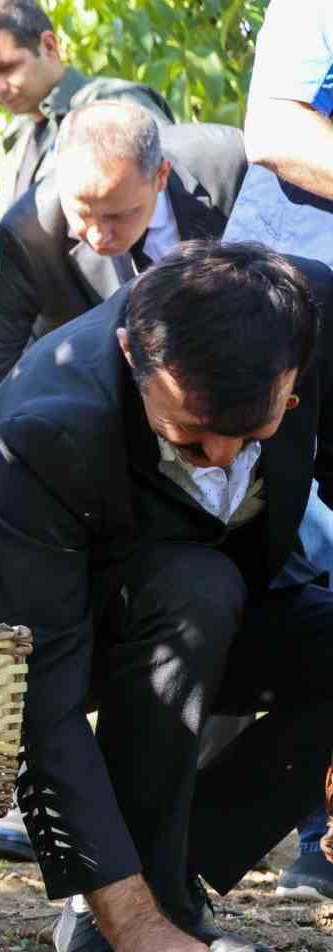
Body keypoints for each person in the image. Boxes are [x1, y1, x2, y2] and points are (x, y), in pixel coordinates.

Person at [0, 241, 333, 952]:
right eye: (190, 438)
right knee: (193, 588)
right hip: (63, 617)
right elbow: (40, 701)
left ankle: (173, 868)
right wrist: (131, 920)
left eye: (255, 431)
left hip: (239, 587)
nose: (223, 462)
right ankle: (113, 906)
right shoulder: (47, 425)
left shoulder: (310, 314)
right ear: (130, 354)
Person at [0, 104, 247, 494]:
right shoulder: (31, 232)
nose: (98, 236)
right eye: (82, 213)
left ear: (161, 176)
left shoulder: (230, 165)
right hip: (118, 435)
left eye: (119, 215)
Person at [219, 0, 333, 902]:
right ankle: (149, 872)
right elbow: (277, 129)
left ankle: (317, 842)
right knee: (221, 576)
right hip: (290, 314)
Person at [0, 0, 173, 223]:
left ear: (49, 46)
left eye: (6, 68)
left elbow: (172, 200)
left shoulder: (114, 104)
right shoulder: (17, 137)